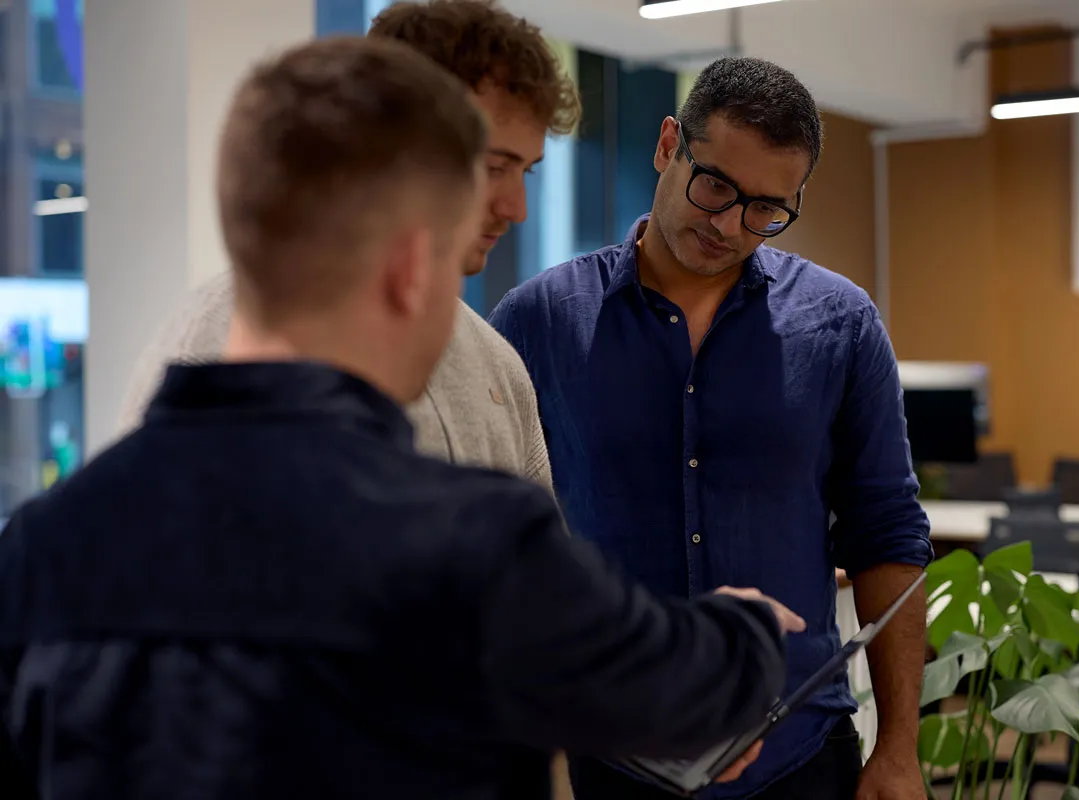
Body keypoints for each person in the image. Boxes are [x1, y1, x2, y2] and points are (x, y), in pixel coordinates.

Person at [0, 37, 806, 800]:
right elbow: (662, 684)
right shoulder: (470, 544)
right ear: (411, 267)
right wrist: (746, 632)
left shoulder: (43, 547)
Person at [489, 57, 934, 800]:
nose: (729, 225)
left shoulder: (840, 324)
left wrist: (897, 748)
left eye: (767, 208)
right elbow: (497, 543)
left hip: (797, 752)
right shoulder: (540, 321)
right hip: (608, 753)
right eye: (716, 187)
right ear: (669, 145)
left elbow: (886, 532)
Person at [117, 0, 577, 495]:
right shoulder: (219, 341)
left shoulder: (498, 366)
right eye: (493, 167)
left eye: (525, 171)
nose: (516, 208)